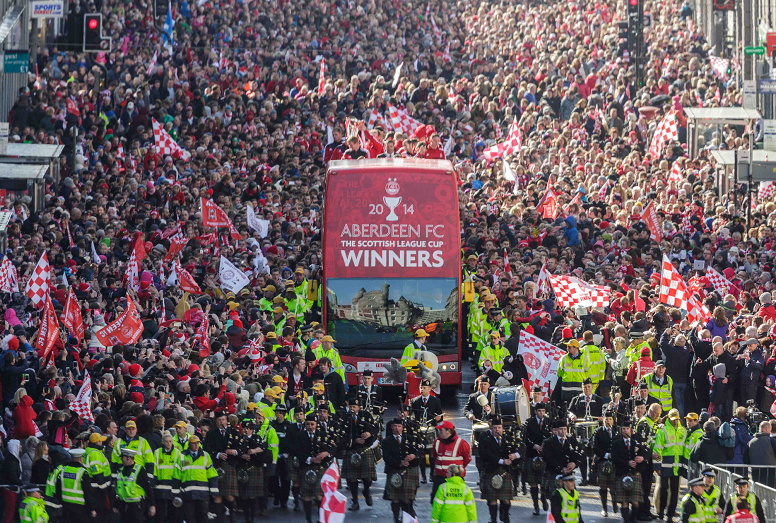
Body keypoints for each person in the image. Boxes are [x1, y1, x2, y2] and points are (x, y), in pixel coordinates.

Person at [295, 414, 334, 523]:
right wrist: (309, 459)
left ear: (316, 425)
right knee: (306, 495)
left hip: (319, 468)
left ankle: (321, 517)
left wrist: (327, 453)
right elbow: (297, 452)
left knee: (318, 495)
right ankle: (309, 519)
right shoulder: (300, 436)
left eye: (312, 424)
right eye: (308, 424)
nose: (310, 426)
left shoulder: (323, 434)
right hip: (305, 467)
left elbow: (334, 447)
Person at [382, 417, 421, 523]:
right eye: (394, 426)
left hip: (409, 471)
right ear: (391, 427)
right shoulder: (386, 441)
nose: (396, 428)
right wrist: (400, 463)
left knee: (406, 498)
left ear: (402, 427)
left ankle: (407, 517)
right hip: (394, 470)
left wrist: (414, 455)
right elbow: (386, 457)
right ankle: (396, 518)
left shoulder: (410, 438)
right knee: (394, 498)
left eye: (399, 426)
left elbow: (419, 450)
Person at [479, 416, 518, 523]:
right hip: (491, 471)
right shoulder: (486, 440)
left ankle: (504, 514)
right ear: (491, 429)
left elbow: (521, 447)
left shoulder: (508, 439)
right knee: (492, 499)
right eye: (495, 428)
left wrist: (515, 455)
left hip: (505, 472)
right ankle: (493, 519)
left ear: (502, 428)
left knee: (505, 500)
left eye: (499, 427)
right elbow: (486, 454)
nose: (497, 430)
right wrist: (502, 461)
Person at [568, 378, 605, 485]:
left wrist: (602, 418)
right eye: (584, 387)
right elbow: (569, 411)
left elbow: (604, 412)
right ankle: (584, 478)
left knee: (594, 455)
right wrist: (572, 416)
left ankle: (594, 478)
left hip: (594, 432)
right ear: (582, 388)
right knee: (583, 455)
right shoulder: (576, 399)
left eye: (588, 387)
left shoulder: (599, 400)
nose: (587, 389)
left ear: (592, 387)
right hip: (581, 432)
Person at [341, 398, 376, 510]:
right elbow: (341, 434)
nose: (352, 409)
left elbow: (376, 428)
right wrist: (353, 440)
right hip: (351, 449)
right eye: (350, 407)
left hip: (365, 449)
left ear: (359, 408)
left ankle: (366, 491)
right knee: (352, 479)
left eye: (354, 407)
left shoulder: (366, 415)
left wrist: (369, 433)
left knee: (368, 477)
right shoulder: (344, 418)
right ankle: (355, 501)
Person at [654, 409, 687, 523]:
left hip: (676, 467)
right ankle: (661, 512)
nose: (675, 422)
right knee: (664, 490)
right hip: (665, 466)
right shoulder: (663, 431)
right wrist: (657, 467)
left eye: (676, 420)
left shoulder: (682, 431)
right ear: (668, 418)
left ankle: (669, 515)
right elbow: (657, 449)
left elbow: (685, 449)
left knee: (674, 492)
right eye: (673, 420)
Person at [46, 448, 97, 522]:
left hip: (66, 507)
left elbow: (58, 489)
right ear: (80, 459)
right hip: (81, 509)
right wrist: (92, 508)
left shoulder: (63, 470)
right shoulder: (82, 473)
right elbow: (88, 492)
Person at [179, 435, 219, 523]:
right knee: (190, 517)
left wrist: (214, 490)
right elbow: (177, 473)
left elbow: (212, 473)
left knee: (203, 516)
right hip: (188, 493)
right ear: (189, 444)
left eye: (198, 443)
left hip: (202, 494)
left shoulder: (205, 455)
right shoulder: (182, 455)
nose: (196, 445)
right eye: (194, 443)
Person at [410, 379, 444, 484]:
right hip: (420, 431)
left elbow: (440, 416)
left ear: (429, 389)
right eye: (421, 387)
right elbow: (412, 416)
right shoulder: (415, 401)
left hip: (431, 430)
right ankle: (423, 476)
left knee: (432, 455)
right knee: (421, 454)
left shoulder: (435, 401)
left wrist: (439, 418)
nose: (422, 389)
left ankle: (432, 474)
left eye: (424, 388)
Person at [611, 418, 644, 523]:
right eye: (623, 429)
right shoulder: (616, 443)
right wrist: (627, 463)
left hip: (634, 473)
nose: (625, 431)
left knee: (635, 502)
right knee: (624, 502)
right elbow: (614, 458)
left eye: (627, 429)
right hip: (621, 473)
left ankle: (633, 519)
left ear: (631, 430)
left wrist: (642, 458)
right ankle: (626, 520)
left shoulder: (636, 441)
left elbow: (647, 451)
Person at [431, 420, 472, 501]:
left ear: (448, 431)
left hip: (455, 479)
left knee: (455, 502)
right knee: (435, 501)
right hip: (439, 478)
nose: (439, 432)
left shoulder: (462, 443)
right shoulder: (437, 442)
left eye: (441, 430)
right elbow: (435, 457)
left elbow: (467, 459)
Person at [524, 402, 552, 515]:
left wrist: (544, 445)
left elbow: (551, 436)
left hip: (543, 455)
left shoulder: (548, 421)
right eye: (539, 411)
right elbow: (525, 438)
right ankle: (536, 506)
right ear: (535, 412)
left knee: (543, 482)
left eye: (543, 411)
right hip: (532, 454)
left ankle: (544, 499)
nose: (542, 413)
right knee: (533, 483)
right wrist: (533, 445)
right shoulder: (529, 422)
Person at [115, 448, 156, 522]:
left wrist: (152, 505)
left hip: (136, 507)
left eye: (122, 457)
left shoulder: (139, 470)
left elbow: (148, 488)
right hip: (122, 506)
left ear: (128, 458)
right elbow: (115, 489)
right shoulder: (120, 470)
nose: (121, 459)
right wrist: (114, 505)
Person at [542, 420, 580, 501]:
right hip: (554, 473)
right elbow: (548, 458)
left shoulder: (571, 440)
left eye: (565, 429)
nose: (563, 431)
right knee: (555, 500)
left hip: (569, 474)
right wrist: (561, 468)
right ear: (557, 430)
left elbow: (580, 455)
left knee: (572, 499)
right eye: (561, 429)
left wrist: (574, 464)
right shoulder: (548, 442)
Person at [592, 410, 618, 517]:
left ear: (613, 421)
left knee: (613, 486)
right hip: (601, 461)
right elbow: (595, 447)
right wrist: (606, 455)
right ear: (603, 420)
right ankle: (604, 508)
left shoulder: (617, 431)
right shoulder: (598, 431)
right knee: (603, 487)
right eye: (606, 419)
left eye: (610, 419)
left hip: (614, 462)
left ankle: (614, 503)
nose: (608, 421)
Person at [152, 432, 183, 523]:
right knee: (160, 513)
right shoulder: (157, 452)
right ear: (163, 442)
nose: (168, 443)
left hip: (173, 487)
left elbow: (179, 469)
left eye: (170, 441)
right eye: (166, 441)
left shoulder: (177, 453)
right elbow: (154, 468)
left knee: (172, 512)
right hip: (160, 486)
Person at [743, 421, 776, 488]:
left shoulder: (750, 442)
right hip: (771, 472)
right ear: (767, 429)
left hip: (756, 472)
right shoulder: (772, 441)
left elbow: (745, 460)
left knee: (759, 493)